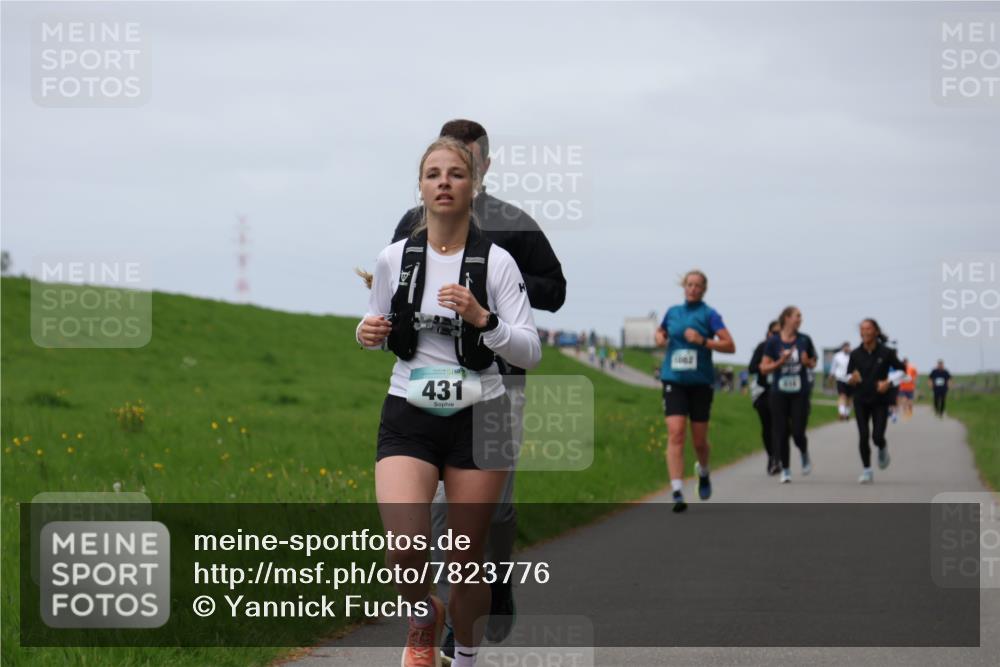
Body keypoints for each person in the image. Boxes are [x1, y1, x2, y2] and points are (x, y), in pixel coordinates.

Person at [357, 137, 542, 667]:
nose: (444, 182)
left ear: (473, 186)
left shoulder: (498, 262)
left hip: (480, 416)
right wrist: (365, 333)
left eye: (455, 174)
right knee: (405, 553)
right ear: (419, 187)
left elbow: (530, 351)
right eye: (433, 173)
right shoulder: (394, 258)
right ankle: (422, 614)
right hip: (409, 412)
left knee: (466, 562)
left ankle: (463, 658)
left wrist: (485, 320)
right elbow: (374, 322)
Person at [655, 270, 736, 512]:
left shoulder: (710, 315)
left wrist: (703, 341)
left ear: (704, 289)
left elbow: (730, 345)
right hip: (674, 380)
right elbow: (661, 332)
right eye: (689, 284)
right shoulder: (673, 312)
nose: (692, 289)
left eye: (697, 285)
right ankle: (677, 490)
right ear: (684, 287)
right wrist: (659, 337)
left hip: (700, 383)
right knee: (676, 432)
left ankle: (703, 471)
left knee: (699, 441)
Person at [759, 306, 817, 484]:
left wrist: (807, 362)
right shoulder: (773, 342)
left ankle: (804, 452)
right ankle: (786, 469)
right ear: (787, 318)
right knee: (782, 431)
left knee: (798, 432)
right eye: (797, 316)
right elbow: (763, 368)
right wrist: (780, 362)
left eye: (801, 316)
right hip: (779, 393)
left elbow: (813, 362)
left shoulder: (804, 340)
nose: (800, 319)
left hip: (800, 392)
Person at [846, 318, 906, 484]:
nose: (865, 332)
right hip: (860, 400)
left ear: (876, 332)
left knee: (877, 436)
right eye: (862, 329)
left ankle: (882, 446)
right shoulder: (855, 354)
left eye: (868, 328)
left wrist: (888, 382)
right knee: (863, 435)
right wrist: (852, 378)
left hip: (880, 400)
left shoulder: (886, 352)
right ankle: (867, 471)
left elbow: (902, 371)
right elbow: (848, 374)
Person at [749, 320, 781, 475]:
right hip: (763, 391)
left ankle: (777, 457)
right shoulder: (762, 347)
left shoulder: (787, 348)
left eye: (780, 333)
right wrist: (765, 367)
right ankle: (771, 456)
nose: (777, 336)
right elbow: (751, 367)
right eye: (774, 333)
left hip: (782, 392)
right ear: (768, 334)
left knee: (779, 426)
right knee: (767, 427)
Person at [829, 342, 852, 420]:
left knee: (849, 397)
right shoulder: (837, 356)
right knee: (842, 396)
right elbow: (833, 366)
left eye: (847, 347)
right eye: (845, 347)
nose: (846, 348)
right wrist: (831, 375)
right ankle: (841, 413)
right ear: (842, 348)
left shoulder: (852, 355)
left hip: (850, 379)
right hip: (840, 378)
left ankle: (847, 414)